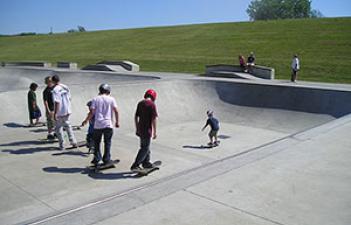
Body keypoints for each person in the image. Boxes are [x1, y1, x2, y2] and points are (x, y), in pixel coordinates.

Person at [82, 84, 119, 166]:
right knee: (107, 142)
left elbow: (92, 112)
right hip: (108, 124)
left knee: (96, 143)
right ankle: (106, 159)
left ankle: (96, 158)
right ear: (108, 91)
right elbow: (116, 111)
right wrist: (117, 122)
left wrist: (86, 120)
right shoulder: (111, 99)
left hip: (98, 124)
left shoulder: (95, 99)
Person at [130, 89, 158, 172]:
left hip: (140, 129)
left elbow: (135, 116)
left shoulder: (140, 103)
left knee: (146, 146)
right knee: (144, 148)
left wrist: (137, 128)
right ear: (153, 97)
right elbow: (154, 119)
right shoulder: (152, 105)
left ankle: (146, 162)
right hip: (147, 130)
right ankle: (135, 165)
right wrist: (155, 132)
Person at [52, 74, 77, 150]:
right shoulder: (65, 87)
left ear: (53, 81)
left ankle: (62, 145)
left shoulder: (55, 90)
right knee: (68, 126)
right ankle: (73, 142)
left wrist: (55, 113)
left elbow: (57, 102)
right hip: (67, 109)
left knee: (58, 128)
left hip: (60, 111)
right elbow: (70, 98)